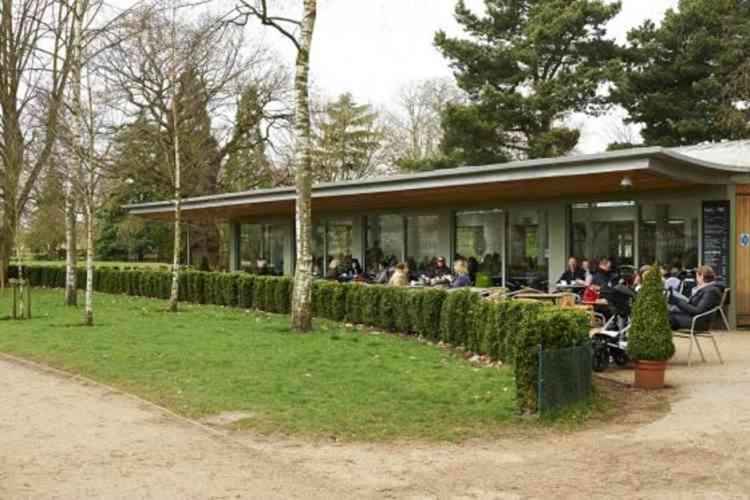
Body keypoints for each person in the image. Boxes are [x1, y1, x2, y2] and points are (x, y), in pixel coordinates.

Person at [668, 265, 722, 331]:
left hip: (697, 322)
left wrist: (677, 302)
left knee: (663, 319)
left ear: (701, 276)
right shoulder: (707, 289)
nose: (696, 279)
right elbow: (693, 306)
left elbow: (697, 311)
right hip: (692, 318)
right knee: (664, 313)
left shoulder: (711, 291)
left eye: (696, 276)